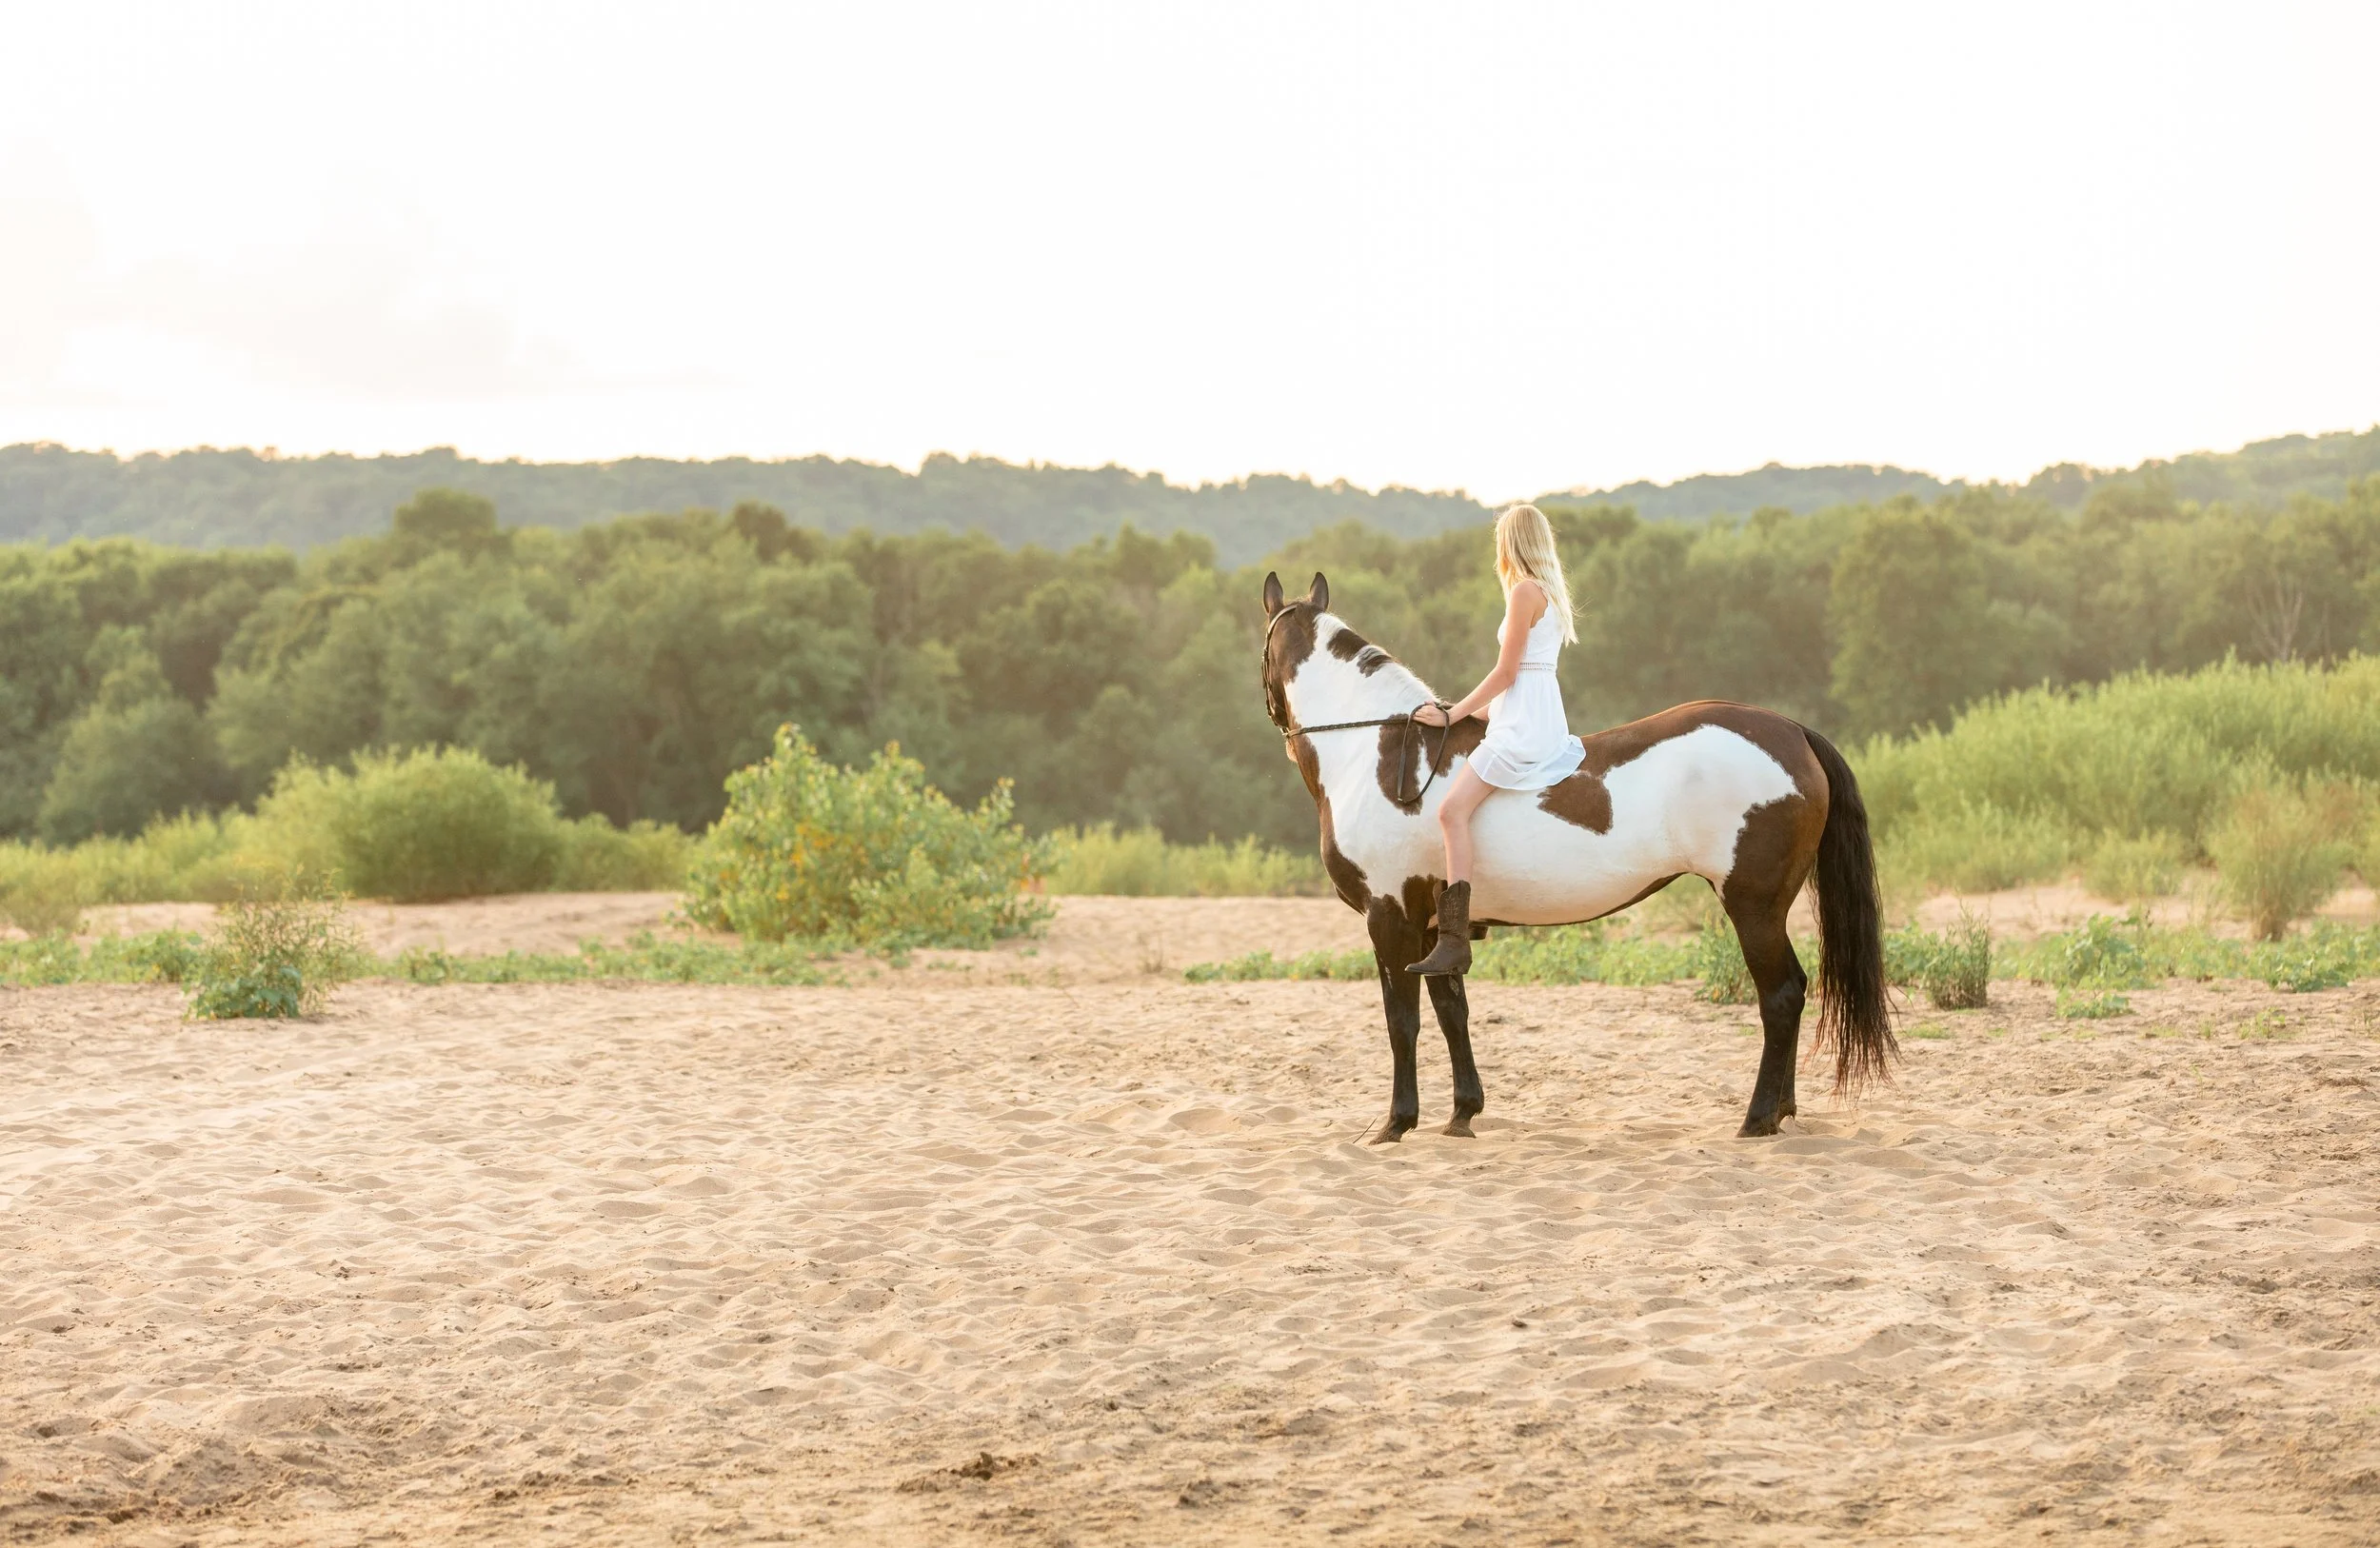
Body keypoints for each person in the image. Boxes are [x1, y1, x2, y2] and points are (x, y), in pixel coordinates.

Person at [1405, 503, 1584, 976]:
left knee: (1450, 810)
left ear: (1511, 543)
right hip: (1533, 711)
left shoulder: (1524, 592)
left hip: (1522, 724)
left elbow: (1507, 673)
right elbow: (1526, 676)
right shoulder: (1548, 592)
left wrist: (1453, 714)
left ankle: (1454, 936)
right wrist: (1474, 714)